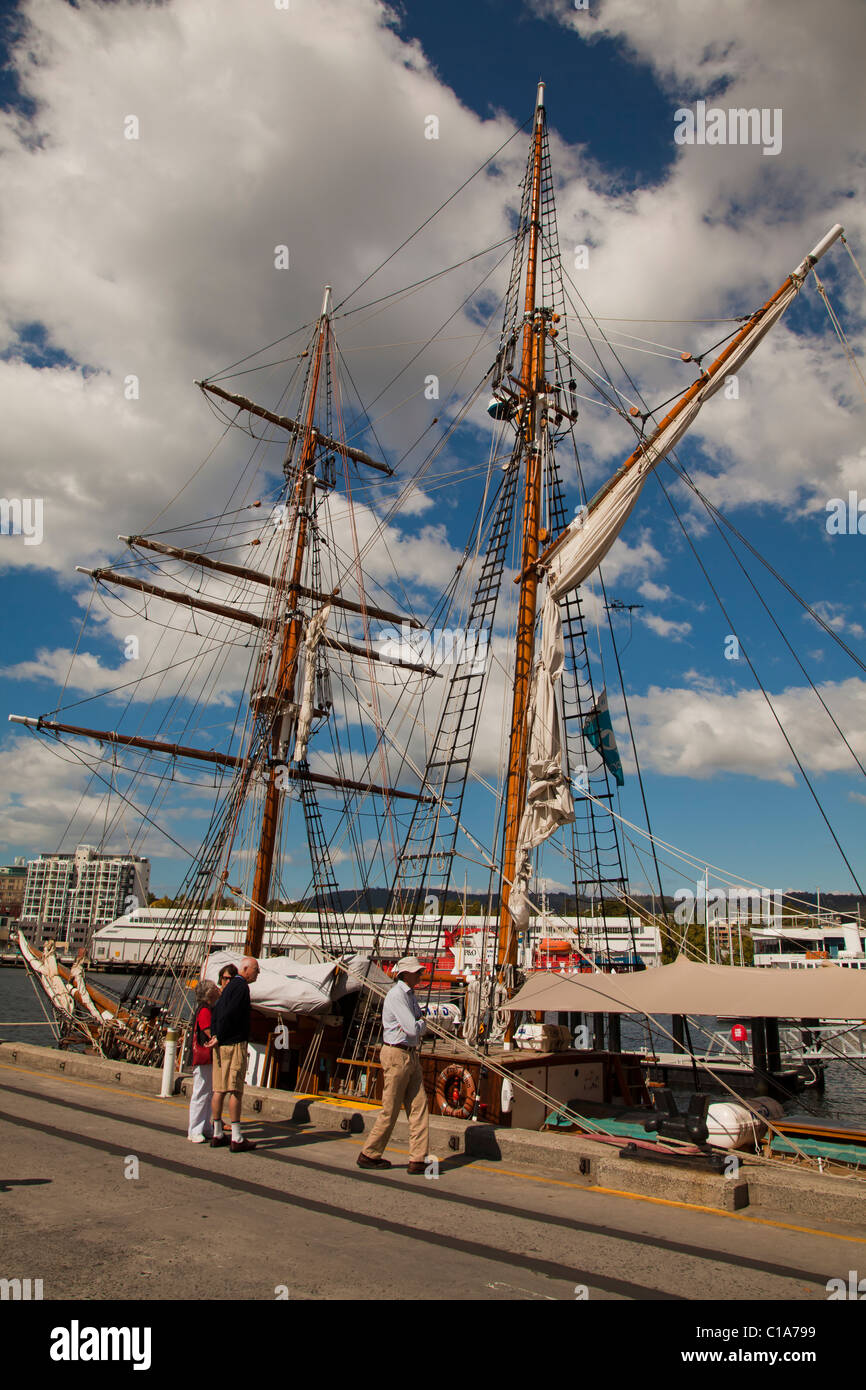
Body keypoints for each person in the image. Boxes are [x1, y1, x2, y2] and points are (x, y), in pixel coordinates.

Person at [357, 956, 431, 1174]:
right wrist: (421, 1024)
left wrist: (420, 1023)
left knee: (419, 1106)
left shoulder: (410, 996)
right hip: (396, 1054)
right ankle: (369, 1153)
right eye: (417, 972)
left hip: (410, 1054)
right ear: (405, 974)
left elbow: (418, 1021)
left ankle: (418, 1158)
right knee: (390, 1109)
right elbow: (413, 1027)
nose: (420, 975)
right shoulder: (397, 995)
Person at [208, 955, 260, 1153]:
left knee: (219, 1090)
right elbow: (231, 1013)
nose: (258, 974)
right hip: (234, 1043)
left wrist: (215, 1035)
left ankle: (217, 1133)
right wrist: (220, 1035)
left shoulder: (228, 986)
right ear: (246, 969)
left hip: (221, 1044)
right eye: (256, 970)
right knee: (235, 1089)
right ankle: (237, 1137)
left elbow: (218, 1011)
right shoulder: (241, 987)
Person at [187, 980, 219, 1143]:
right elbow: (209, 1031)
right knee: (201, 1093)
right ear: (208, 993)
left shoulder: (208, 1008)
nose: (217, 989)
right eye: (214, 988)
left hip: (207, 1058)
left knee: (208, 1093)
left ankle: (205, 1126)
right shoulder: (205, 1010)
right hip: (203, 1057)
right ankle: (194, 1129)